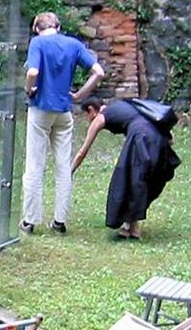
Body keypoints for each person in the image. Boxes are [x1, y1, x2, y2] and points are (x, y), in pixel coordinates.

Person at [20, 11, 105, 234]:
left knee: (35, 164)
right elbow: (98, 72)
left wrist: (29, 90)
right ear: (58, 27)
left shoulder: (37, 43)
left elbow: (33, 71)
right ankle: (59, 221)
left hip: (40, 109)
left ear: (37, 29)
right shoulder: (73, 44)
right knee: (63, 166)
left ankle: (30, 220)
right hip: (64, 112)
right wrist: (79, 95)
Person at [71, 97, 181, 240]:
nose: (88, 120)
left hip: (140, 136)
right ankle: (128, 225)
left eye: (87, 116)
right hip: (157, 137)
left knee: (125, 180)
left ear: (91, 110)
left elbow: (82, 152)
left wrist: (70, 171)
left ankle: (133, 228)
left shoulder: (101, 117)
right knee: (142, 180)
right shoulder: (122, 105)